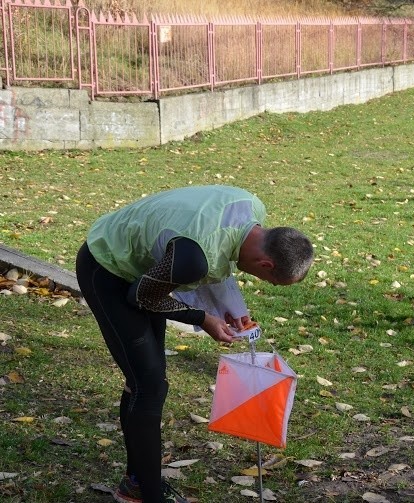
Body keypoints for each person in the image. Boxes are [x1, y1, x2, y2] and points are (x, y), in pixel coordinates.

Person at [75, 185, 313, 503]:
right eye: (267, 279)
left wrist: (231, 310)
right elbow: (142, 297)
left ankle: (135, 484)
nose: (261, 281)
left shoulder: (251, 208)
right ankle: (149, 495)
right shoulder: (195, 258)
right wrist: (202, 318)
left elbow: (218, 257)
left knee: (145, 382)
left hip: (146, 268)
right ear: (266, 264)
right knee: (149, 387)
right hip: (106, 267)